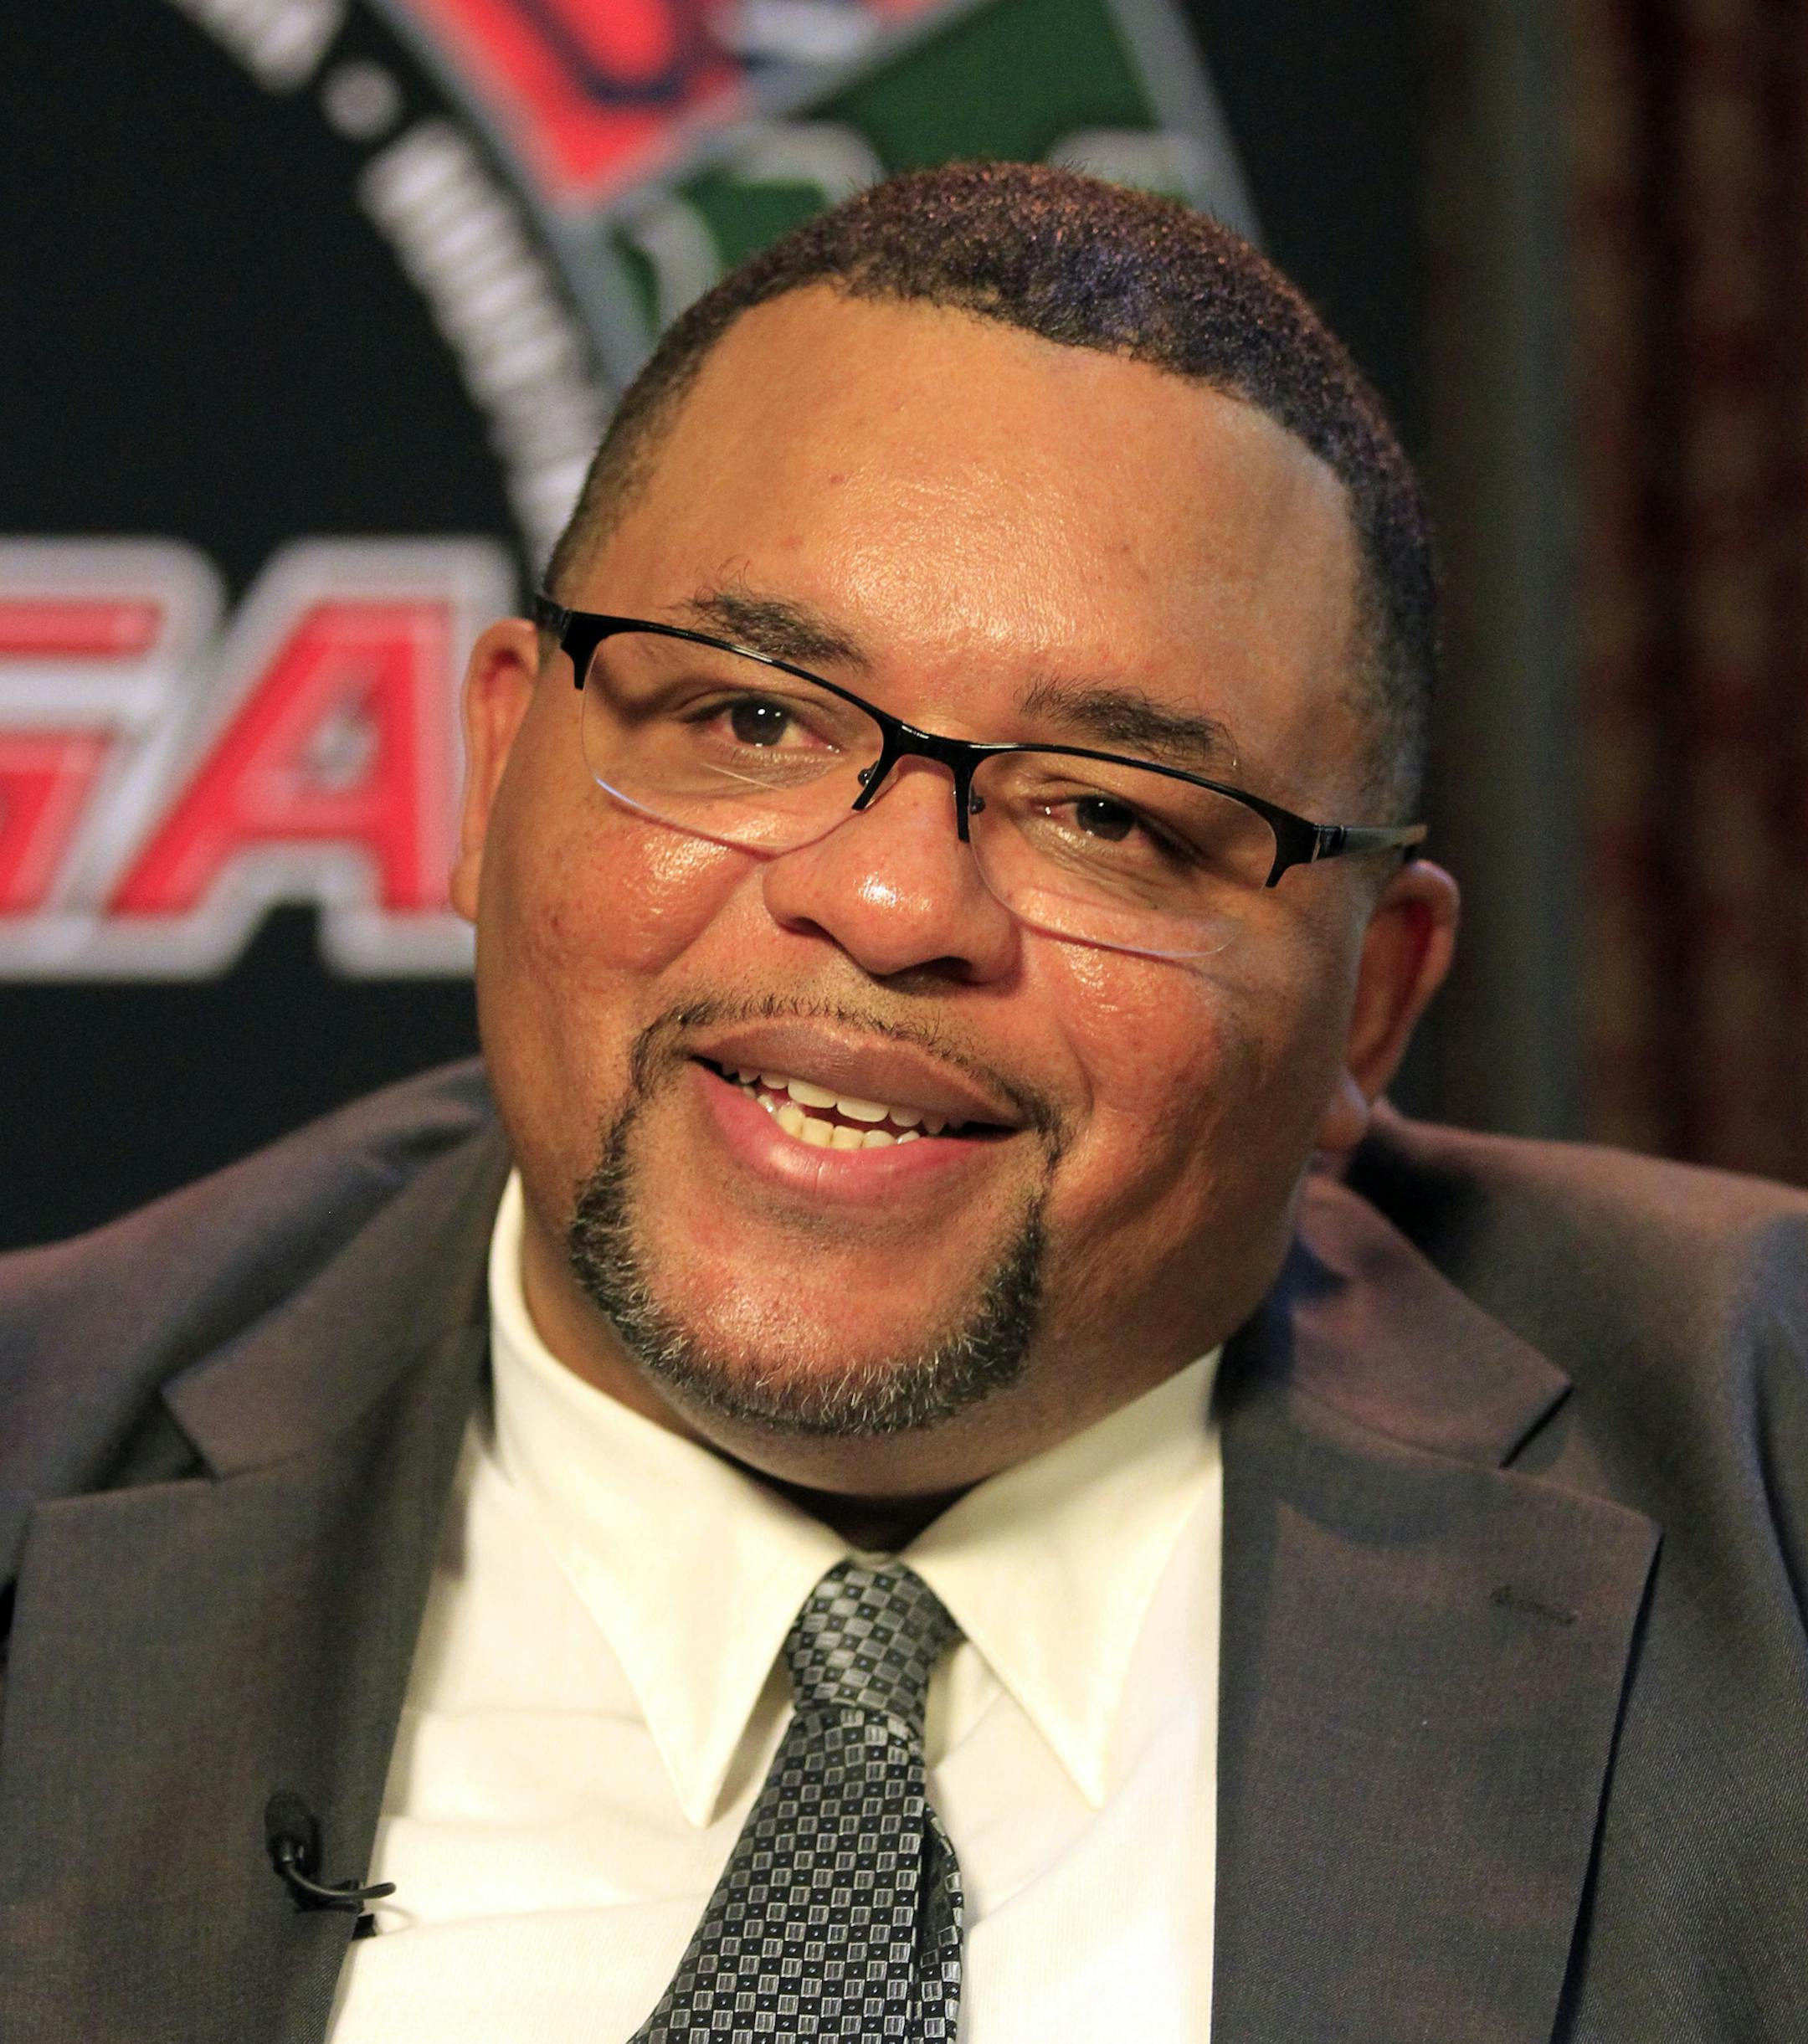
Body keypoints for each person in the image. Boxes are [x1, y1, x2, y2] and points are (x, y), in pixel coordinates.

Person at [2, 163, 1805, 2044]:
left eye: (1110, 814)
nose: (887, 902)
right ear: (496, 767)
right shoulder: (36, 1461)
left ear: (1376, 1001)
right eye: (754, 721)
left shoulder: (1766, 1480)